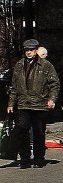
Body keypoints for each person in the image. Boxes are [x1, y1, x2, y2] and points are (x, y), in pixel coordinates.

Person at [5, 38, 59, 168]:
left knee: (38, 132)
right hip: (23, 103)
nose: (28, 52)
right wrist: (11, 103)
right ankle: (25, 158)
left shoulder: (45, 65)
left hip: (39, 104)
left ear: (36, 50)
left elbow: (54, 83)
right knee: (22, 129)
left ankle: (39, 158)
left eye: (31, 50)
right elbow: (14, 86)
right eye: (26, 50)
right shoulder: (19, 65)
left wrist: (52, 99)